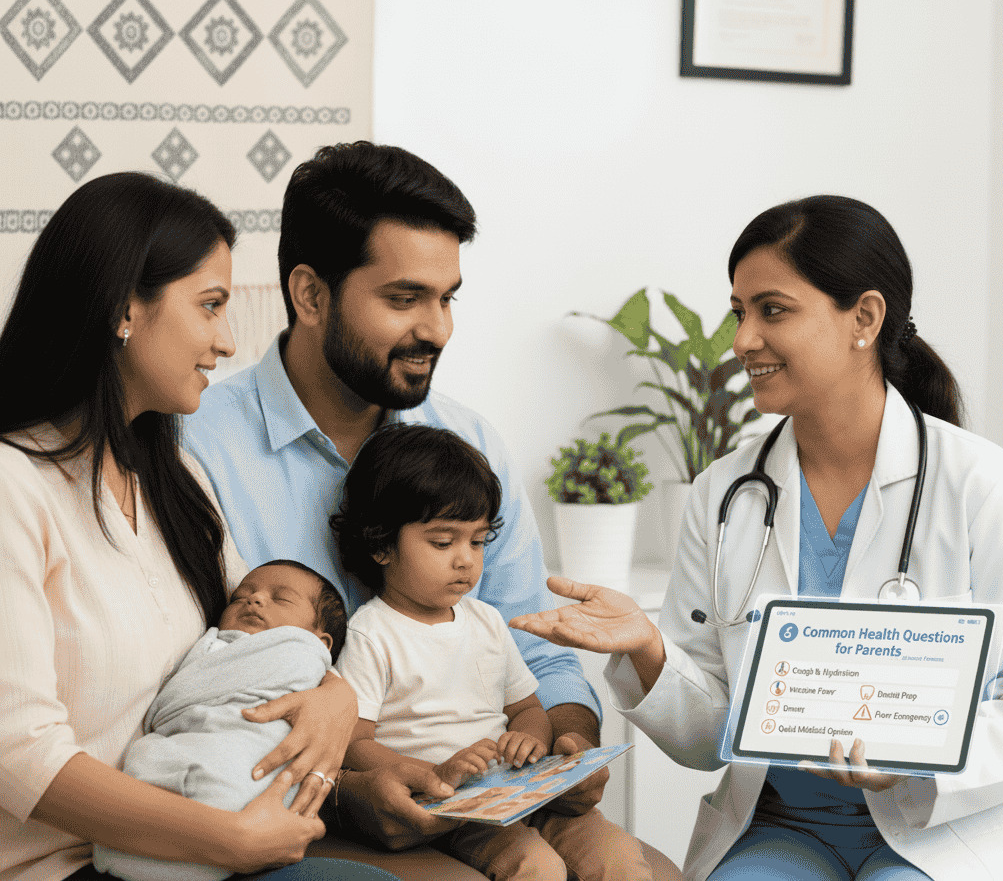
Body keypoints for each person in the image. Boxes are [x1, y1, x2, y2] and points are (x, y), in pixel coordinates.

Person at [510, 195, 1003, 881]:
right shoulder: (723, 493)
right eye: (739, 311)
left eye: (772, 309)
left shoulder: (985, 486)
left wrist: (924, 754)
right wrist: (650, 648)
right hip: (782, 829)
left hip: (941, 829)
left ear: (864, 318)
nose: (743, 339)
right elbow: (708, 738)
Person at [181, 141, 608, 853]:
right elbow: (194, 692)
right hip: (293, 809)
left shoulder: (470, 443)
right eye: (404, 298)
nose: (436, 329)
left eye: (447, 298)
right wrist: (348, 791)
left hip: (500, 791)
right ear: (311, 294)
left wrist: (570, 740)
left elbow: (540, 652)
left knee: (636, 870)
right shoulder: (197, 451)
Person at [0, 173, 362, 881]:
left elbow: (253, 631)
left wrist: (338, 696)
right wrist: (226, 838)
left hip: (197, 844)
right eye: (211, 306)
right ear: (122, 309)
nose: (227, 342)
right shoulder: (15, 489)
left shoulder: (176, 483)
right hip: (67, 866)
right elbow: (17, 753)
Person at [333, 423, 652, 881]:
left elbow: (526, 707)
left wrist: (532, 738)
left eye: (478, 541)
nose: (466, 558)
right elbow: (354, 742)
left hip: (522, 790)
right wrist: (429, 773)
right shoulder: (372, 634)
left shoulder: (485, 620)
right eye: (443, 543)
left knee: (618, 856)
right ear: (381, 544)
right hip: (455, 807)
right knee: (535, 867)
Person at [94, 560, 358, 881]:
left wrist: (339, 691)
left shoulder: (301, 654)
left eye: (281, 598)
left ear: (322, 642)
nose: (254, 599)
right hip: (177, 784)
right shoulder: (212, 647)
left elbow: (170, 704)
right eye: (238, 597)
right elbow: (175, 702)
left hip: (251, 779)